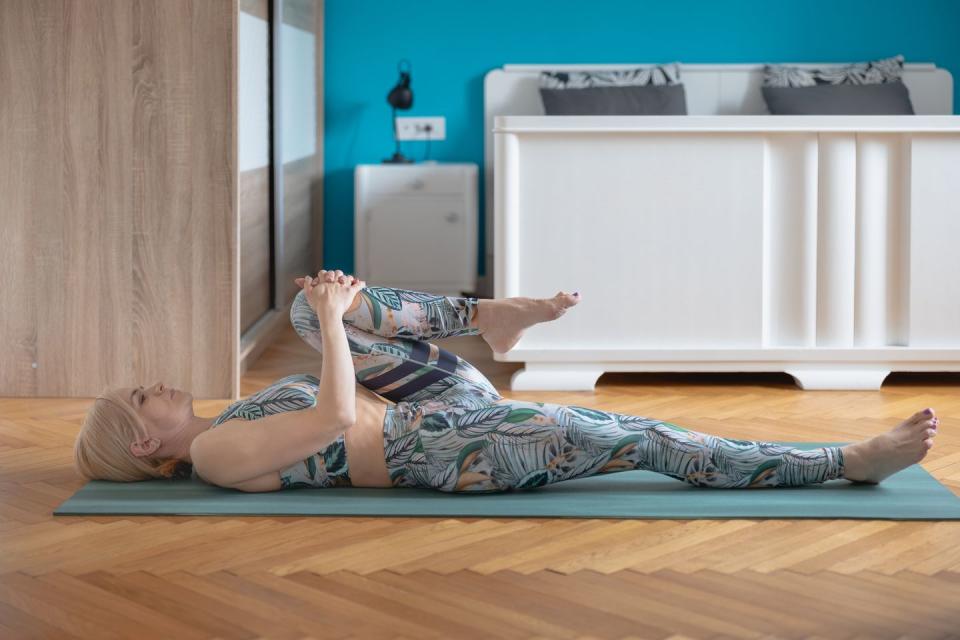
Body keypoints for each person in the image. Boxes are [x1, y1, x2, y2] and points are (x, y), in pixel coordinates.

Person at [74, 270, 939, 493]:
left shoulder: (233, 417)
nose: (149, 385)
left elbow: (340, 387)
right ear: (146, 441)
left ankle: (487, 318)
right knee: (637, 438)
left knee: (306, 312)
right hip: (456, 454)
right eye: (138, 398)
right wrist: (340, 326)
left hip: (441, 409)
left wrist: (331, 319)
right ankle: (839, 464)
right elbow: (338, 412)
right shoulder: (220, 453)